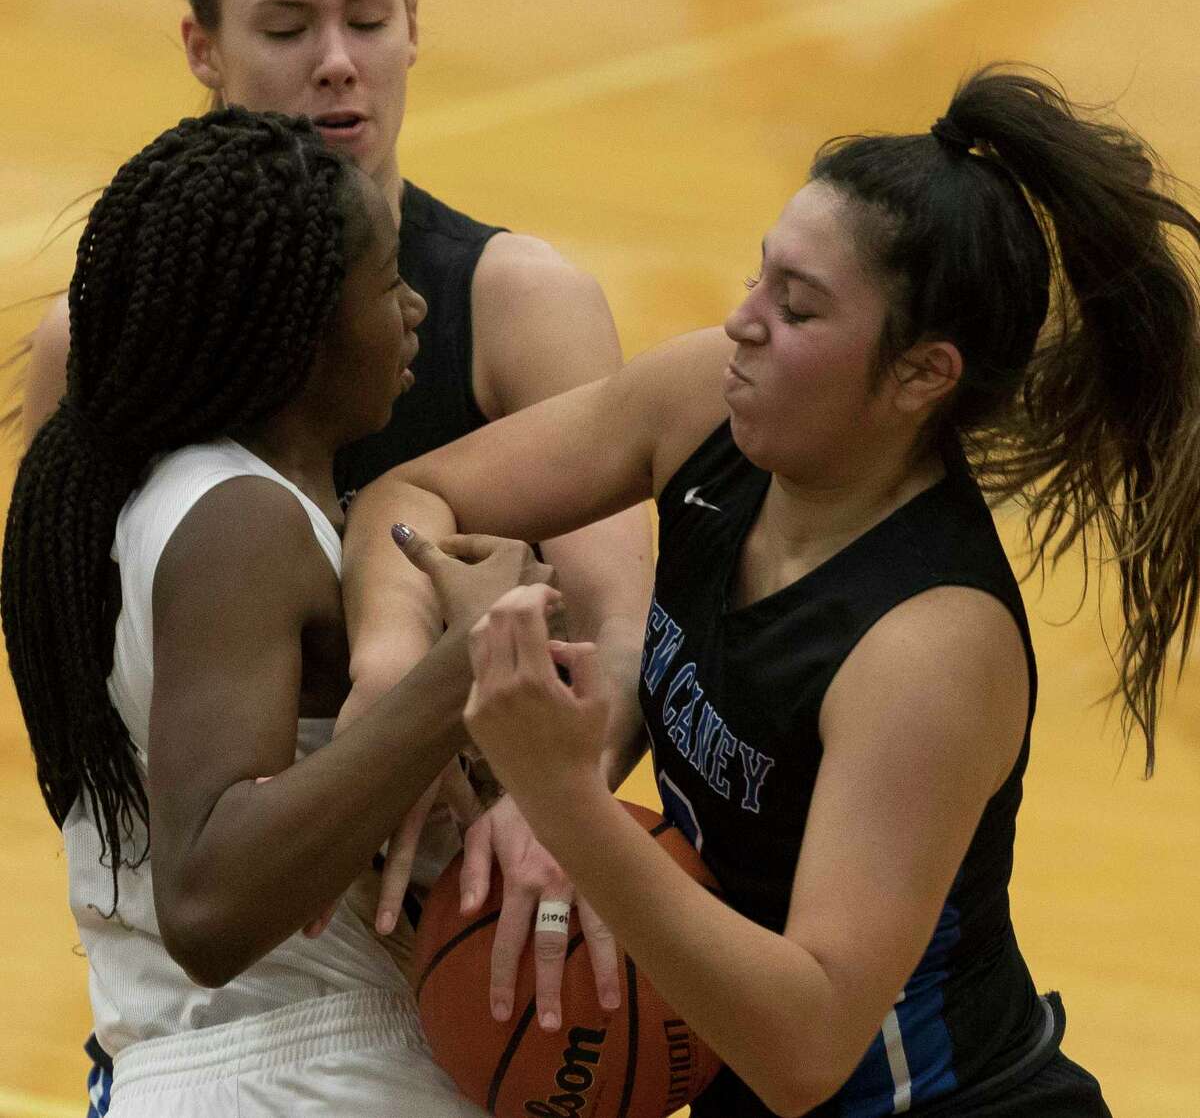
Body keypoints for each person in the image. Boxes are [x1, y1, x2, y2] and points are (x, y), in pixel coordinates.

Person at [358, 67, 1200, 1115]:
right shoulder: (706, 406)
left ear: (920, 376)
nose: (743, 322)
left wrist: (566, 799)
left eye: (796, 308)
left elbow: (807, 1046)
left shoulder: (930, 645)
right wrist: (393, 669)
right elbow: (414, 492)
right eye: (761, 278)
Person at [16, 0, 653, 1111]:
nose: (339, 61)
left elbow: (624, 628)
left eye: (369, 17)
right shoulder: (160, 408)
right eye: (290, 26)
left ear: (417, 23)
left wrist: (556, 807)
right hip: (274, 1029)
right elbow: (93, 726)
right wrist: (438, 687)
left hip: (341, 1004)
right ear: (202, 46)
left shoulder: (517, 303)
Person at [1, 106, 555, 1115]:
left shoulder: (126, 495)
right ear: (298, 332)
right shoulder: (237, 520)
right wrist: (466, 660)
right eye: (388, 284)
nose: (416, 310)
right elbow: (209, 903)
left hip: (200, 1066)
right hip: (304, 1074)